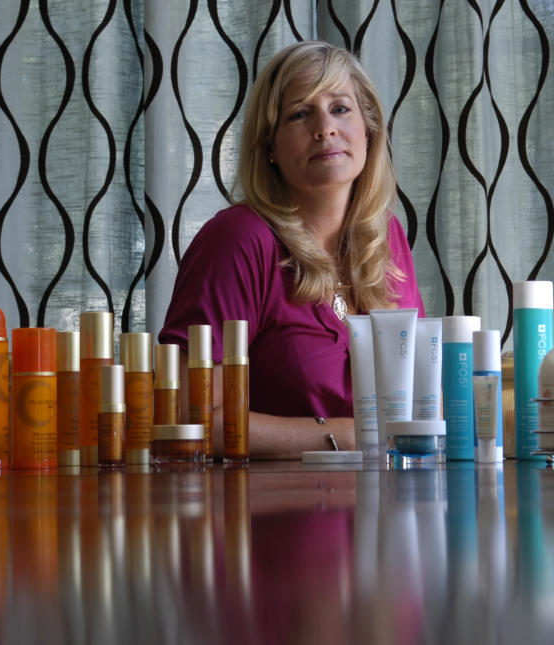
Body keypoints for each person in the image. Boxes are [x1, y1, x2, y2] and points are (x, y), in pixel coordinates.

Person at [159, 40, 425, 459]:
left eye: (340, 108)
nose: (325, 128)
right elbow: (187, 417)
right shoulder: (239, 240)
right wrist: (340, 436)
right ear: (269, 148)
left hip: (388, 510)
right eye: (299, 114)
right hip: (267, 512)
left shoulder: (385, 238)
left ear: (370, 129)